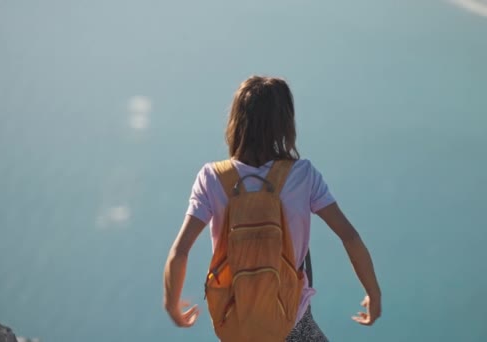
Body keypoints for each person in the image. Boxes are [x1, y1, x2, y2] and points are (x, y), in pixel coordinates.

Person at [163, 76, 382, 341]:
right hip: (293, 323)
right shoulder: (303, 175)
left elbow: (180, 251)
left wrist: (172, 304)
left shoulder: (211, 178)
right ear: (285, 124)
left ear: (236, 121)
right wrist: (373, 293)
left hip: (237, 324)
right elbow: (349, 236)